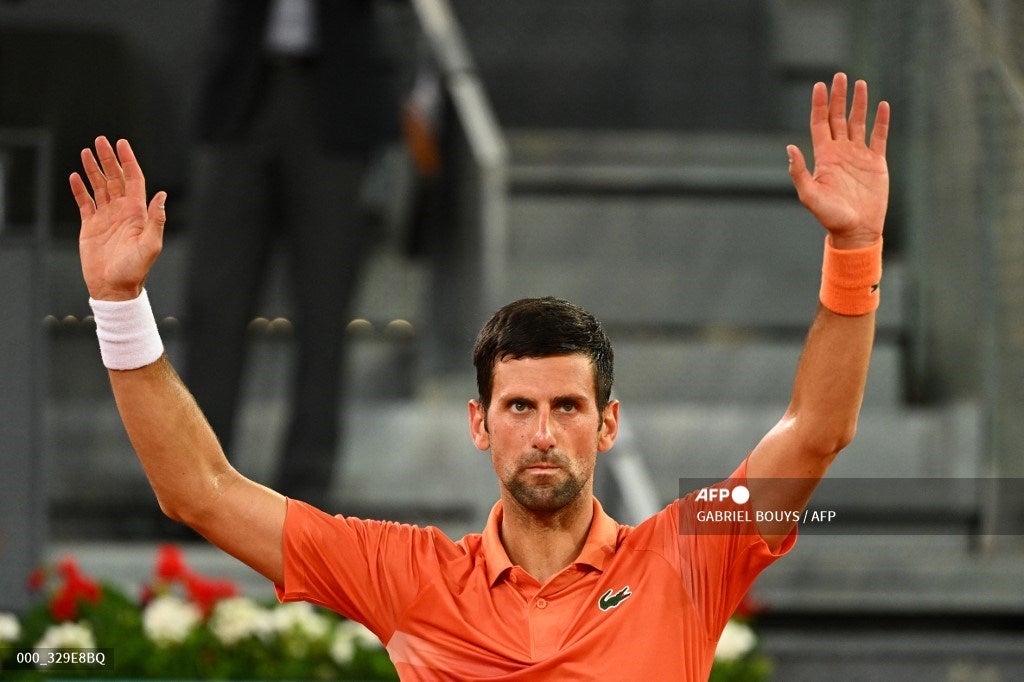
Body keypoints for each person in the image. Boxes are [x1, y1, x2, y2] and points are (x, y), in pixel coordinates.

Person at [69, 72, 889, 679]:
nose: (542, 433)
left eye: (568, 406)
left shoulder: (685, 557)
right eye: (519, 406)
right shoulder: (408, 575)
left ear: (607, 424)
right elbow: (199, 491)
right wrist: (117, 303)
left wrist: (853, 251)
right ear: (478, 423)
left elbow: (815, 433)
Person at [182, 0, 403, 508]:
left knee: (325, 307)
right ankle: (197, 487)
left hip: (336, 98)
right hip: (243, 89)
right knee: (214, 302)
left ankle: (308, 488)